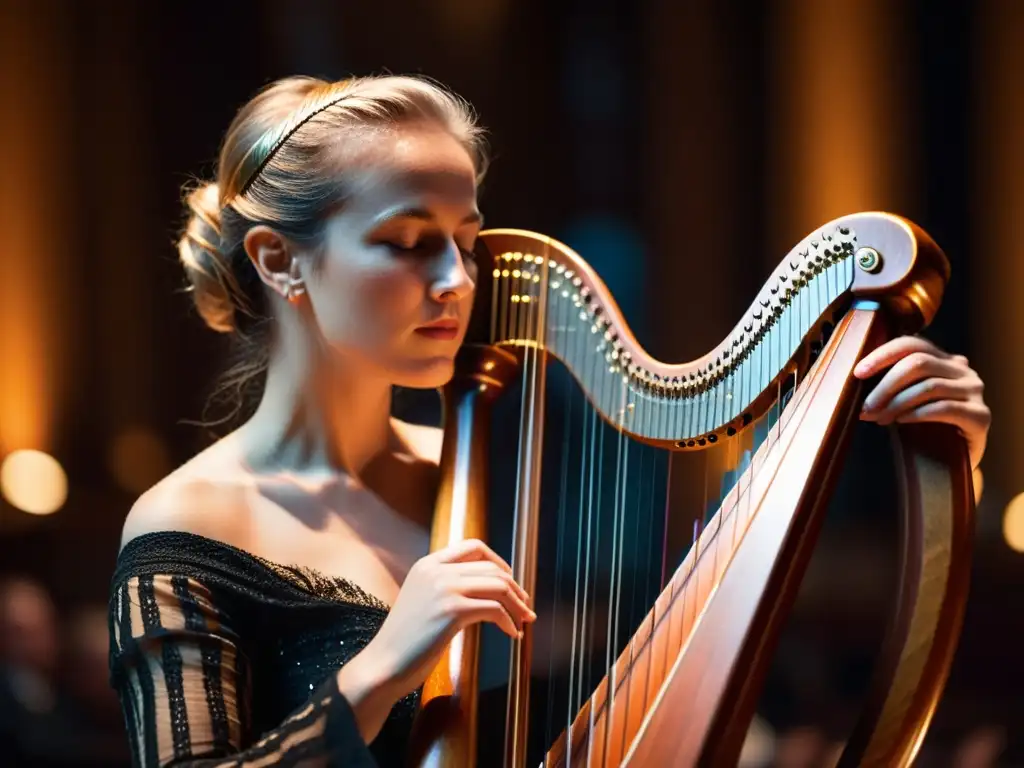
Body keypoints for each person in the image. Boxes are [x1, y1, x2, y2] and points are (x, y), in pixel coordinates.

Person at [107, 73, 991, 768]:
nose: (458, 281)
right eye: (410, 243)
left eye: (466, 240)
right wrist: (381, 669)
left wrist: (937, 467)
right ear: (278, 260)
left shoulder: (492, 465)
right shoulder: (187, 525)